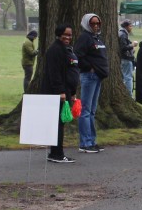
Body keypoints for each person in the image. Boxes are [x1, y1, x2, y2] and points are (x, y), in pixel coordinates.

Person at [41, 24, 80, 163]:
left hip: (67, 91)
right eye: (65, 34)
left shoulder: (66, 49)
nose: (68, 37)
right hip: (58, 93)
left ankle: (56, 152)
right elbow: (55, 73)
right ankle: (57, 154)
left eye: (70, 35)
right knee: (58, 124)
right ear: (59, 34)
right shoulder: (55, 50)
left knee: (60, 123)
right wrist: (61, 92)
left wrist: (72, 92)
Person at [74, 13, 109, 153]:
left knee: (92, 111)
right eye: (92, 23)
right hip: (89, 76)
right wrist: (90, 68)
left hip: (97, 76)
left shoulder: (97, 38)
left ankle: (92, 141)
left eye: (97, 23)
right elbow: (77, 55)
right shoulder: (85, 38)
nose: (95, 26)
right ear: (86, 24)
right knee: (86, 110)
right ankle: (85, 143)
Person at [119, 20, 136, 97]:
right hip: (126, 59)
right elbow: (123, 48)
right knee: (128, 78)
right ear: (126, 26)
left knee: (125, 77)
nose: (131, 27)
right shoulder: (123, 34)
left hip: (125, 58)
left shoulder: (123, 33)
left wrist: (131, 50)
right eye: (130, 26)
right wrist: (132, 45)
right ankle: (129, 96)